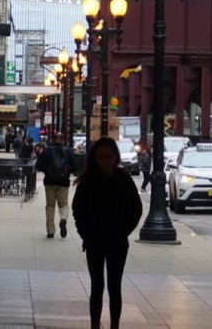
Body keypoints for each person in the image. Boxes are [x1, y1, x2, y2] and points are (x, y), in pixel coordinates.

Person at [72, 137, 143, 329]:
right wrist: (85, 234)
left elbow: (136, 209)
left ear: (115, 157)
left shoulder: (124, 179)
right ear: (95, 159)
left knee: (114, 286)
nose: (105, 161)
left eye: (108, 156)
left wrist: (124, 231)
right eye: (101, 157)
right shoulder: (88, 182)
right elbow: (78, 210)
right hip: (94, 241)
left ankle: (114, 325)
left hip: (117, 241)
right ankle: (95, 324)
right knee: (97, 285)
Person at [35, 133, 74, 238]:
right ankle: (63, 219)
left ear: (53, 139)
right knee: (63, 204)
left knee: (50, 205)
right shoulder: (68, 151)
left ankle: (50, 231)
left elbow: (38, 165)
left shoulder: (47, 151)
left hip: (50, 182)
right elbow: (75, 167)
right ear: (62, 140)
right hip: (63, 182)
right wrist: (67, 172)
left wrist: (47, 171)